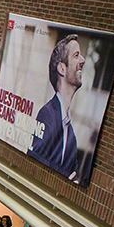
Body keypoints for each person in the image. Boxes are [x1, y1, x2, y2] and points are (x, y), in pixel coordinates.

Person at [29, 34, 85, 181]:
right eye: (76, 55)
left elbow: (75, 176)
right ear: (62, 68)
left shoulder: (71, 134)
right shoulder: (47, 114)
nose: (82, 60)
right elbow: (34, 162)